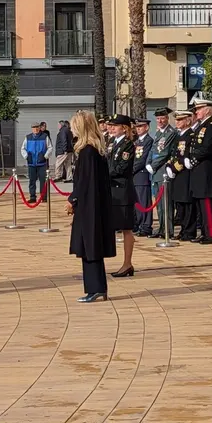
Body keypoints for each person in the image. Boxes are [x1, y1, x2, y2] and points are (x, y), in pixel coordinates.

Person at [66, 110, 116, 302]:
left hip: (90, 207)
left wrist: (73, 199)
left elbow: (84, 183)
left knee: (91, 246)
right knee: (89, 246)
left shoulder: (88, 152)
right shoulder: (94, 150)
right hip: (94, 205)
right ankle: (96, 287)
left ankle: (95, 288)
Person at [105, 114, 136, 276]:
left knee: (126, 229)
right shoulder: (111, 143)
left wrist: (103, 173)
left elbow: (122, 167)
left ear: (124, 128)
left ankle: (127, 263)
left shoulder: (128, 145)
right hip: (112, 191)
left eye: (115, 126)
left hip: (122, 191)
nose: (111, 128)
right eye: (111, 125)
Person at [186, 99, 212, 245]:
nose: (196, 112)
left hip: (205, 168)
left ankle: (211, 233)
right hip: (198, 169)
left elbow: (207, 148)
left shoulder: (211, 126)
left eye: (199, 109)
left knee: (206, 202)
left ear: (207, 110)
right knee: (200, 202)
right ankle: (204, 232)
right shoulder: (201, 126)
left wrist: (194, 159)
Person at [147, 108, 177, 239]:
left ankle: (168, 230)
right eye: (158, 118)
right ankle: (161, 228)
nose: (160, 121)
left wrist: (152, 166)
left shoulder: (171, 133)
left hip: (163, 169)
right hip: (155, 171)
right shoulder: (158, 133)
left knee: (166, 203)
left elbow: (164, 153)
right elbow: (153, 149)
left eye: (162, 118)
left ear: (167, 118)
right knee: (159, 204)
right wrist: (148, 163)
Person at [166, 110, 195, 240]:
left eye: (180, 120)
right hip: (177, 174)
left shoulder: (191, 135)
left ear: (187, 121)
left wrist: (175, 168)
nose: (177, 122)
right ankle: (183, 230)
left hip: (185, 174)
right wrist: (169, 166)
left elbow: (186, 156)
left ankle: (189, 231)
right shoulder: (179, 136)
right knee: (180, 204)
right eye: (176, 120)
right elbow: (174, 154)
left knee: (187, 204)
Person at [131, 118, 154, 237]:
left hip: (142, 174)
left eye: (141, 126)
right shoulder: (137, 142)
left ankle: (146, 226)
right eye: (137, 127)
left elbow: (142, 159)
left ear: (147, 127)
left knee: (144, 202)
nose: (138, 129)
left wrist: (131, 170)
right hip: (135, 176)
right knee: (137, 203)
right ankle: (140, 224)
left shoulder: (148, 141)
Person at [21, 122, 52, 204]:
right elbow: (23, 148)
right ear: (32, 129)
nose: (36, 129)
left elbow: (50, 147)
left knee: (43, 181)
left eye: (37, 127)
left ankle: (44, 197)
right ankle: (32, 197)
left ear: (39, 127)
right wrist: (26, 156)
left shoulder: (45, 137)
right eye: (34, 127)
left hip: (42, 163)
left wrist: (45, 156)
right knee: (32, 181)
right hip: (31, 163)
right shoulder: (28, 137)